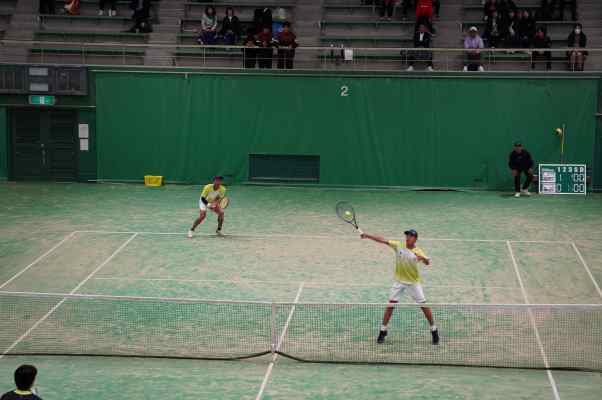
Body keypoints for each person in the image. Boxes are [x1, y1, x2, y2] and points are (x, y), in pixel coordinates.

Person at [360, 229, 439, 346]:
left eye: (410, 236)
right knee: (390, 305)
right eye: (407, 235)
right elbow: (382, 240)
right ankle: (383, 330)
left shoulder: (418, 251)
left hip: (413, 283)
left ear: (415, 239)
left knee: (424, 305)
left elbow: (427, 263)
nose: (407, 238)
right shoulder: (398, 245)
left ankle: (434, 330)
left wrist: (423, 259)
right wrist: (367, 235)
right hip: (399, 282)